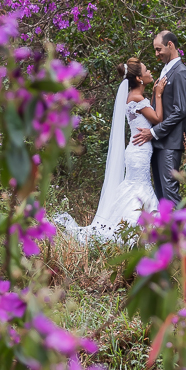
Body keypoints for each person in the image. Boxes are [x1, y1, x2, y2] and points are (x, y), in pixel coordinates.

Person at [54, 58, 165, 243]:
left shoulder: (135, 98)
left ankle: (132, 227)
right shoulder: (137, 98)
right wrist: (159, 94)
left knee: (135, 187)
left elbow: (150, 115)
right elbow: (158, 118)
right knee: (138, 188)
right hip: (139, 153)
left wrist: (153, 94)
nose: (150, 72)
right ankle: (132, 231)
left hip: (137, 150)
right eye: (146, 70)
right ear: (139, 78)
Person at [132, 30, 186, 205]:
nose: (157, 54)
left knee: (170, 195)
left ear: (170, 45)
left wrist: (154, 132)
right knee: (160, 197)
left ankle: (183, 231)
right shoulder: (166, 71)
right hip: (158, 143)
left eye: (159, 49)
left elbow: (181, 111)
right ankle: (166, 231)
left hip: (170, 144)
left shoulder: (181, 73)